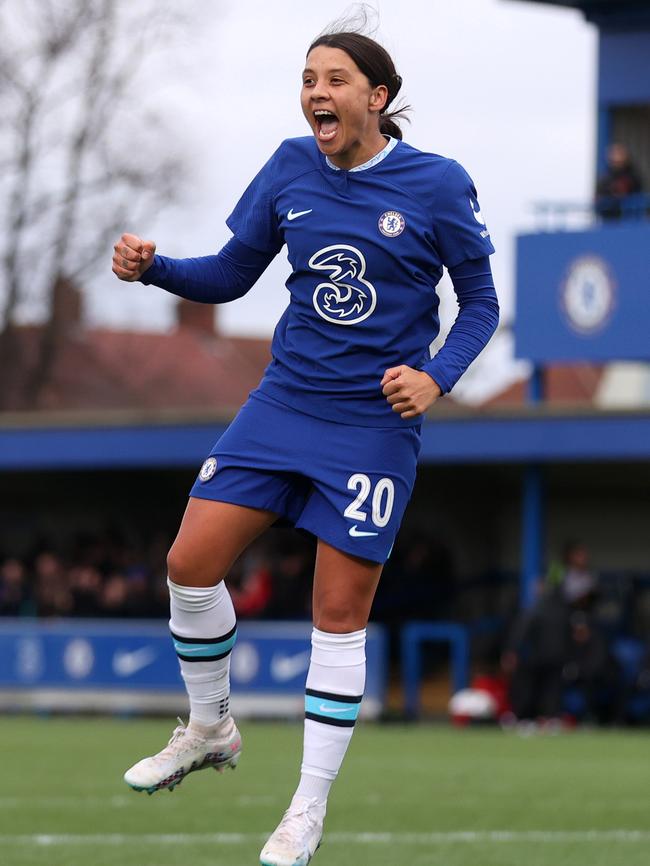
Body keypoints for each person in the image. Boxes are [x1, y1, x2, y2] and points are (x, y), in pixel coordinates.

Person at [112, 26, 499, 866]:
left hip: (371, 428)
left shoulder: (436, 185)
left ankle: (307, 808)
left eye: (335, 79)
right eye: (307, 79)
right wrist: (157, 270)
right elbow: (229, 273)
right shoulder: (290, 164)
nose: (316, 93)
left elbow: (480, 304)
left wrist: (436, 377)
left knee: (337, 616)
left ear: (377, 96)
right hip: (282, 404)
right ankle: (211, 728)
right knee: (188, 563)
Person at [595, 142, 644, 220]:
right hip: (609, 220)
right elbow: (599, 199)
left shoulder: (634, 176)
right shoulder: (605, 178)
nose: (616, 157)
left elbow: (639, 196)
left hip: (630, 219)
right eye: (613, 154)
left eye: (619, 153)